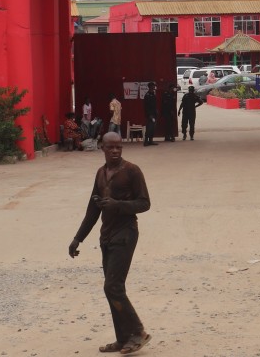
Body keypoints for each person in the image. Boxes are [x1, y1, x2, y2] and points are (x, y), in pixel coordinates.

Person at [68, 131, 152, 354]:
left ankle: (138, 332)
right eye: (110, 147)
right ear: (102, 148)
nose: (115, 151)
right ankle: (123, 338)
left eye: (119, 147)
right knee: (113, 289)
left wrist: (117, 205)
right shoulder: (100, 173)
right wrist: (78, 238)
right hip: (106, 235)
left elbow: (144, 203)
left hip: (125, 234)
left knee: (112, 286)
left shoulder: (132, 171)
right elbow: (93, 209)